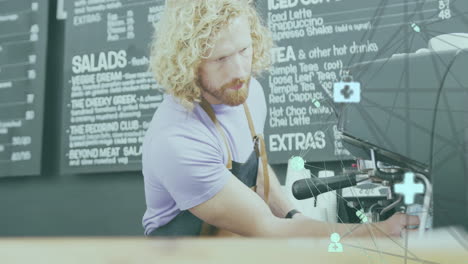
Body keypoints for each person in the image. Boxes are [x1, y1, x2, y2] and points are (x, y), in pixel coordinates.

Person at [141, 0, 419, 237]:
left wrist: (292, 215)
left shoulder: (249, 95)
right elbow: (265, 229)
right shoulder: (178, 140)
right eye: (221, 59)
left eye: (243, 50)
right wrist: (376, 232)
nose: (240, 71)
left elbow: (258, 174)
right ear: (189, 63)